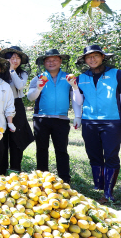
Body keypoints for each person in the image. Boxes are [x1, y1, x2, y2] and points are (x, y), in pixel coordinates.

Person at [73, 45, 121, 203]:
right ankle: (99, 185)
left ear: (102, 57)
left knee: (111, 155)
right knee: (93, 155)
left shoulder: (117, 74)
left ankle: (108, 192)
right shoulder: (81, 78)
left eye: (95, 56)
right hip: (89, 122)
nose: (92, 59)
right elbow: (78, 101)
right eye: (88, 57)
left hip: (111, 121)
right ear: (85, 60)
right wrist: (78, 116)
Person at [27, 49, 81, 184]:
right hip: (41, 118)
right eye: (48, 60)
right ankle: (42, 178)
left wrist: (77, 115)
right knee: (41, 149)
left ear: (60, 61)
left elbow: (75, 98)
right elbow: (30, 98)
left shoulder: (68, 77)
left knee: (61, 150)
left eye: (54, 60)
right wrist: (38, 88)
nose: (51, 62)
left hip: (61, 120)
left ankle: (64, 179)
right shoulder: (38, 78)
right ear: (44, 63)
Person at [0, 46, 34, 172]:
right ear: (6, 59)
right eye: (12, 58)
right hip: (1, 106)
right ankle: (1, 171)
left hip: (17, 106)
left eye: (17, 58)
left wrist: (12, 70)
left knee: (16, 140)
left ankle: (15, 170)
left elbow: (20, 85)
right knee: (2, 139)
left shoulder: (22, 73)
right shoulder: (0, 72)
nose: (15, 60)